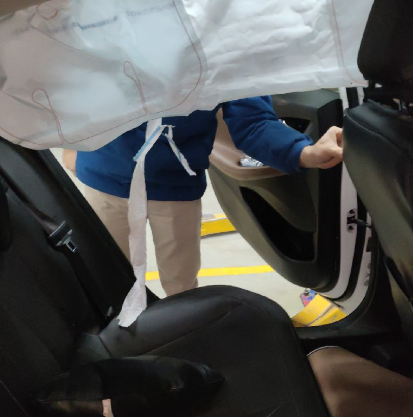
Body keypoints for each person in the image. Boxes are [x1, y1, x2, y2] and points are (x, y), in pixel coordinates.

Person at [68, 96, 343, 296]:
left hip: (174, 186)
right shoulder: (109, 34)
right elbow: (71, 86)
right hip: (104, 175)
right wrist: (67, 139)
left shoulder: (218, 44)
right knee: (109, 279)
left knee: (181, 286)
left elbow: (253, 122)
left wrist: (303, 152)